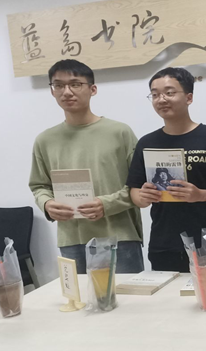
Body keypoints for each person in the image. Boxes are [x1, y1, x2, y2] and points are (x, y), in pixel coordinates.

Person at [29, 59, 144, 274]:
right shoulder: (45, 140)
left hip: (119, 235)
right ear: (52, 91)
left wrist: (106, 204)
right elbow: (39, 185)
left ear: (93, 89)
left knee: (127, 296)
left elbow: (141, 186)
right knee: (80, 296)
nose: (67, 92)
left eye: (75, 84)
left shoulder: (120, 132)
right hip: (72, 238)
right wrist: (47, 204)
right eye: (58, 85)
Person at [127, 67, 206, 272]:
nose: (161, 99)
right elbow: (134, 190)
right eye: (155, 94)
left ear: (189, 97)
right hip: (164, 243)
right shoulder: (147, 143)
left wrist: (202, 195)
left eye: (169, 92)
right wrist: (143, 197)